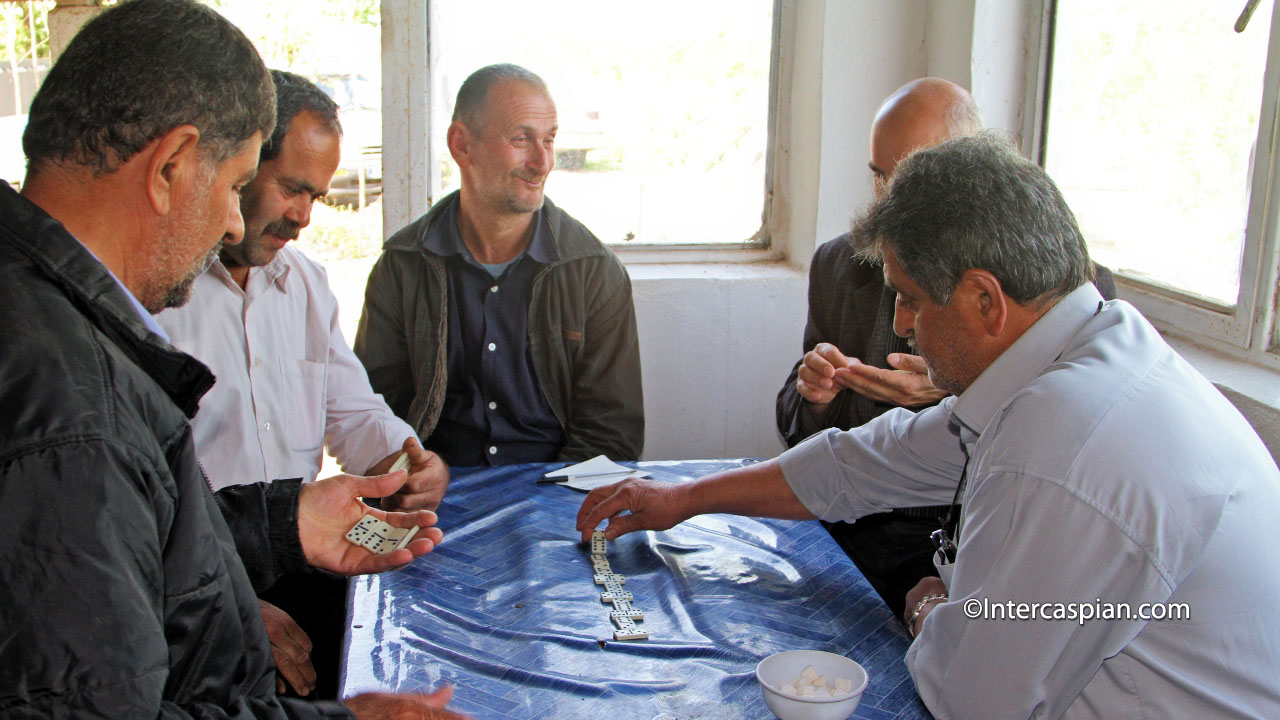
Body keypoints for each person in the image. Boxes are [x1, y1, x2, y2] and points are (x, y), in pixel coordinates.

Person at [579, 133, 1280, 718]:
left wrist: (929, 609)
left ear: (983, 299)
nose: (904, 325)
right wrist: (686, 497)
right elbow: (864, 463)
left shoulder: (1069, 441)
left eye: (910, 300)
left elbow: (967, 695)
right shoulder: (1077, 353)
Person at [0, 1, 463, 717]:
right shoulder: (75, 406)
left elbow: (147, 532)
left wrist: (288, 522)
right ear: (172, 167)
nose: (236, 221)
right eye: (236, 184)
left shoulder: (49, 311)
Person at [157, 69, 449, 700]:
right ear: (238, 163)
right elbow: (142, 508)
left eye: (316, 196)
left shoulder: (305, 284)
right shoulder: (158, 295)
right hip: (190, 579)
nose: (303, 217)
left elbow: (353, 413)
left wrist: (409, 461)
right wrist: (226, 604)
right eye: (292, 189)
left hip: (304, 553)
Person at [775, 77, 1116, 618]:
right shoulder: (841, 266)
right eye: (880, 178)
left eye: (912, 177)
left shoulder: (1060, 289)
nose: (892, 201)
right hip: (858, 539)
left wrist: (965, 381)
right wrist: (817, 395)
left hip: (975, 556)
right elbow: (827, 451)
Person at [355, 63, 643, 467]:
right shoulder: (402, 268)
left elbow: (612, 434)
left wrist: (551, 509)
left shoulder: (593, 272)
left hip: (556, 491)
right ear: (461, 144)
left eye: (549, 139)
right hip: (438, 494)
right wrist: (415, 483)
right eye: (521, 138)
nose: (543, 162)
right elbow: (375, 415)